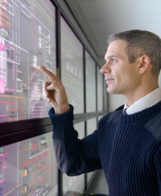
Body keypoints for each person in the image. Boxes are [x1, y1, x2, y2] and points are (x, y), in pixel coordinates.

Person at [38, 30, 161, 196]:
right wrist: (61, 109)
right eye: (105, 61)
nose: (103, 69)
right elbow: (71, 163)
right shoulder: (110, 122)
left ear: (142, 64)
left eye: (113, 60)